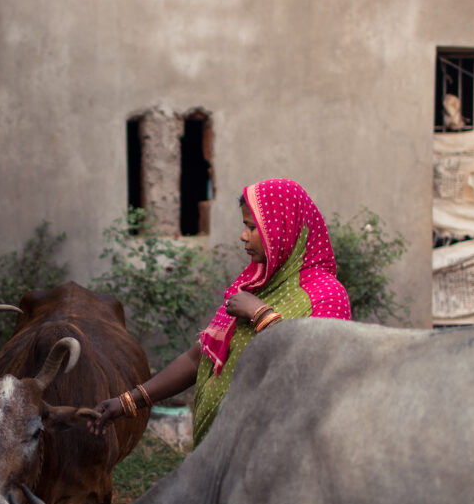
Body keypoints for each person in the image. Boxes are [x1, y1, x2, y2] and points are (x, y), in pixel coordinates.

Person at [91, 178, 352, 445]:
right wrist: (126, 402)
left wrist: (261, 315)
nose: (243, 236)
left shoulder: (326, 295)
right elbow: (198, 359)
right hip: (219, 449)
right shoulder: (253, 284)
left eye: (252, 227)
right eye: (244, 226)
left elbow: (321, 372)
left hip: (278, 454)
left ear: (281, 229)